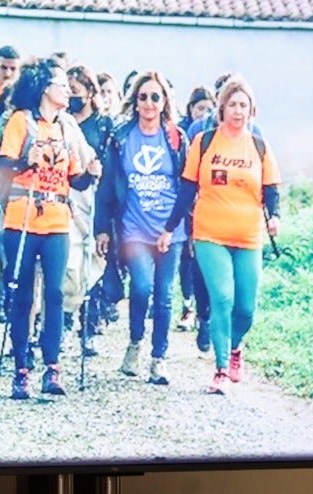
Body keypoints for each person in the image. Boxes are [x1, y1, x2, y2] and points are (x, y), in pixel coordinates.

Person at [0, 61, 101, 399]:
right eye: (61, 85)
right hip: (22, 218)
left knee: (54, 293)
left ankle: (52, 366)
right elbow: (3, 167)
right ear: (43, 88)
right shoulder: (21, 121)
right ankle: (21, 369)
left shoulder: (66, 127)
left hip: (56, 220)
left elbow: (74, 179)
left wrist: (91, 174)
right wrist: (27, 160)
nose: (67, 91)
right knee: (23, 295)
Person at [166, 77, 281, 394]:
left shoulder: (259, 146)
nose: (238, 111)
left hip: (248, 237)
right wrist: (169, 228)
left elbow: (271, 189)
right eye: (232, 104)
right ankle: (220, 370)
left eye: (243, 105)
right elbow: (187, 189)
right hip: (210, 234)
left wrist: (275, 218)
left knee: (245, 309)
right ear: (222, 108)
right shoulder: (204, 143)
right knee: (222, 297)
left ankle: (234, 347)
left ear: (252, 110)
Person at [96, 71, 187, 385]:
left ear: (164, 102)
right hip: (134, 226)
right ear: (135, 101)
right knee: (141, 286)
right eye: (143, 97)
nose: (149, 103)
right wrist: (102, 228)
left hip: (171, 229)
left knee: (164, 295)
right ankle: (135, 343)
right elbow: (107, 185)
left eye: (155, 97)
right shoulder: (121, 137)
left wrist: (182, 227)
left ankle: (159, 358)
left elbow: (188, 185)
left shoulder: (175, 138)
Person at [64, 64, 112, 360]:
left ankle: (89, 328)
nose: (71, 96)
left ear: (90, 92)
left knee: (93, 261)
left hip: (94, 199)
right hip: (66, 198)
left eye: (76, 90)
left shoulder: (103, 125)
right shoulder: (61, 122)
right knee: (68, 264)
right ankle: (64, 320)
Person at [176, 85, 216, 333]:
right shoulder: (187, 132)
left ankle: (205, 312)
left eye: (208, 109)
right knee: (187, 257)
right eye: (200, 108)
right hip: (189, 200)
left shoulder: (214, 131)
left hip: (209, 203)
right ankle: (188, 305)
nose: (204, 113)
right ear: (191, 109)